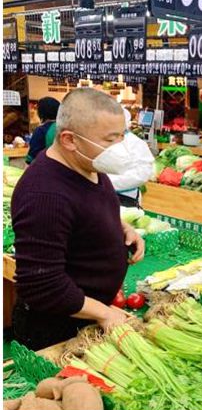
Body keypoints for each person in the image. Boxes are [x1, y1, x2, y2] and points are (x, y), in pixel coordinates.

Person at [11, 88, 145, 351]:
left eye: (122, 136)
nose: (120, 148)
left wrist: (122, 227)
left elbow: (88, 207)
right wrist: (104, 313)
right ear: (70, 140)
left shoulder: (88, 164)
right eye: (111, 140)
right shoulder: (44, 195)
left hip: (87, 318)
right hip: (56, 332)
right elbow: (42, 285)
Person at [108, 109, 155, 208]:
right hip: (100, 194)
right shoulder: (100, 140)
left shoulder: (136, 143)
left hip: (126, 198)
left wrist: (109, 182)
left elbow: (142, 174)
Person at [26, 97, 60, 164]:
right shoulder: (68, 128)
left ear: (40, 113)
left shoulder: (41, 131)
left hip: (49, 167)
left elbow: (31, 159)